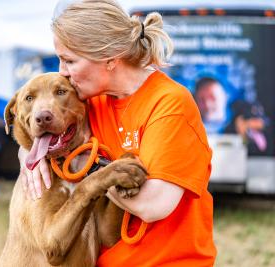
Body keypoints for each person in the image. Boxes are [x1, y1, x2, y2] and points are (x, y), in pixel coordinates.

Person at [19, 0, 216, 266]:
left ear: (110, 58)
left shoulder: (170, 103)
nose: (62, 71)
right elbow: (43, 131)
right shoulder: (92, 100)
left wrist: (85, 167)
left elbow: (152, 205)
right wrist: (29, 156)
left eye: (69, 60)